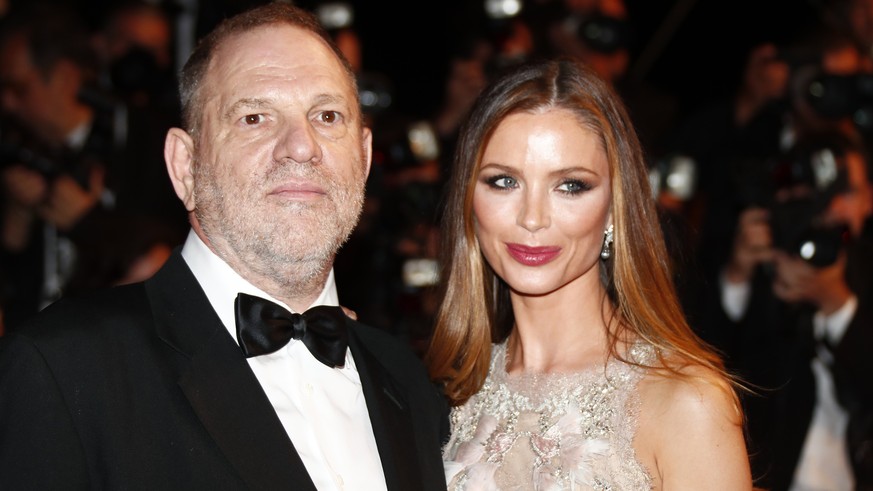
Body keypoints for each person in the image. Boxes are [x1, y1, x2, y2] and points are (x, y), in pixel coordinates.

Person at [0, 3, 448, 490]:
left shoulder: (411, 380)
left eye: (326, 115)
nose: (301, 145)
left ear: (362, 160)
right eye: (255, 117)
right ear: (185, 166)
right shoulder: (62, 370)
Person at [425, 58, 753, 489]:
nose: (533, 218)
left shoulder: (685, 402)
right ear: (469, 199)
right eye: (504, 181)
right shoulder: (446, 397)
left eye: (571, 185)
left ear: (615, 206)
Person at [0, 3, 187, 330]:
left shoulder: (150, 142)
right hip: (34, 343)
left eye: (18, 88)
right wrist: (16, 219)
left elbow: (167, 256)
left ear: (63, 78)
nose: (8, 103)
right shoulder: (19, 149)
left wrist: (88, 220)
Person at [707, 130, 873, 489]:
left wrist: (836, 302)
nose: (831, 208)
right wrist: (739, 273)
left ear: (869, 200)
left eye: (845, 192)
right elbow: (709, 358)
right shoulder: (766, 259)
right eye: (820, 190)